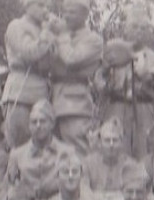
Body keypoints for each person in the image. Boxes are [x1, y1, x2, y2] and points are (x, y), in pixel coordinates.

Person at [1, 0, 58, 148]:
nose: (45, 10)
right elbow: (29, 52)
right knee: (20, 145)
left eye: (47, 7)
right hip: (21, 91)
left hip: (44, 91)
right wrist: (47, 33)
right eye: (40, 5)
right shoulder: (17, 26)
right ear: (27, 5)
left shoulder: (46, 30)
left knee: (42, 146)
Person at [47, 0, 102, 150]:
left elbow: (71, 59)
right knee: (53, 150)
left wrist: (62, 35)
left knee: (77, 149)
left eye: (72, 12)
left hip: (75, 102)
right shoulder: (59, 36)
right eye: (65, 11)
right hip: (52, 97)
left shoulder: (93, 40)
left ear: (85, 14)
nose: (66, 16)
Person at [83, 118, 140, 200]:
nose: (111, 145)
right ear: (100, 143)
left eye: (115, 140)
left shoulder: (131, 164)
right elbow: (84, 191)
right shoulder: (88, 163)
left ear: (121, 143)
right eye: (107, 140)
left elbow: (134, 193)